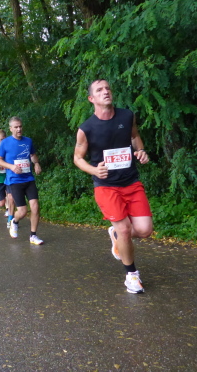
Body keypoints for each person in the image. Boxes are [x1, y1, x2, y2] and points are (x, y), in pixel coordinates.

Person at [74, 79, 153, 294]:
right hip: (106, 186)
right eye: (99, 90)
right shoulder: (86, 128)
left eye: (107, 88)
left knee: (145, 230)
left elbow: (135, 136)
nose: (105, 92)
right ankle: (132, 275)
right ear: (91, 99)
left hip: (131, 181)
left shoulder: (127, 116)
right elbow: (78, 158)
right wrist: (94, 170)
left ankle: (116, 235)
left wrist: (140, 151)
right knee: (125, 229)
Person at [0, 117, 44, 245]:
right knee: (22, 211)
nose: (19, 129)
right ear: (11, 129)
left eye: (20, 126)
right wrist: (11, 167)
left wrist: (36, 163)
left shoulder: (28, 141)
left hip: (29, 178)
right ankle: (14, 221)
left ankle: (33, 235)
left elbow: (32, 155)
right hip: (14, 180)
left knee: (35, 206)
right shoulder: (5, 143)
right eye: (16, 127)